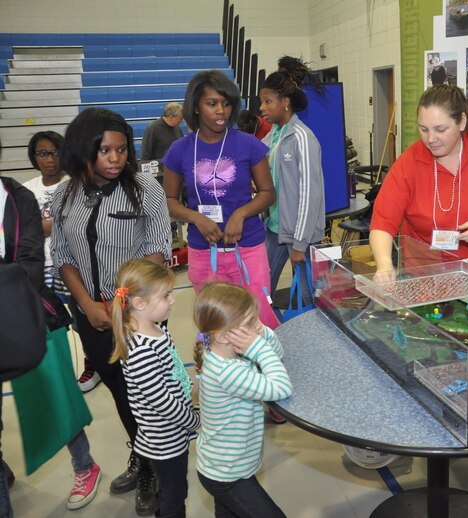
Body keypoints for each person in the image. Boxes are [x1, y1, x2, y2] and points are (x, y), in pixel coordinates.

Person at [51, 108, 172, 515]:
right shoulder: (65, 194)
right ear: (85, 151)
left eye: (122, 149)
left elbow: (156, 251)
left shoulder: (145, 189)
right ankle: (142, 456)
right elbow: (63, 255)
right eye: (105, 150)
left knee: (145, 393)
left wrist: (119, 301)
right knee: (121, 394)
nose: (116, 158)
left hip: (136, 314)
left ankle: (155, 466)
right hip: (91, 315)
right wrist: (87, 303)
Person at [1, 169, 102, 511]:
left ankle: (85, 464)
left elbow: (30, 261)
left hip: (26, 312)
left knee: (54, 395)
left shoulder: (17, 197)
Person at [369, 84, 468, 277]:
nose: (431, 139)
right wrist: (385, 265)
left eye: (440, 129)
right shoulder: (409, 163)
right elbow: (382, 223)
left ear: (461, 122)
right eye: (424, 129)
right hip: (424, 276)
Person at [163, 70, 279, 330]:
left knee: (257, 315)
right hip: (203, 250)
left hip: (247, 247)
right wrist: (196, 218)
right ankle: (218, 368)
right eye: (212, 104)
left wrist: (240, 214)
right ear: (195, 107)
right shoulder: (179, 150)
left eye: (226, 104)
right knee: (213, 322)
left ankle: (266, 367)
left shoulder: (249, 144)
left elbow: (268, 193)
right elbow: (170, 199)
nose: (221, 111)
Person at [193, 282, 292, 518]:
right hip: (227, 475)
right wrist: (257, 347)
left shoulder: (226, 352)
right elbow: (281, 387)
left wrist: (260, 331)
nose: (254, 328)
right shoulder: (227, 372)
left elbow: (278, 353)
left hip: (226, 468)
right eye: (249, 324)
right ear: (224, 335)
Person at [111, 259, 199, 518]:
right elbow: (162, 402)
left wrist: (188, 386)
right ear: (139, 303)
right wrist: (193, 420)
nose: (172, 300)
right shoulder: (141, 351)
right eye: (166, 296)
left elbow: (172, 368)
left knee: (171, 489)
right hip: (165, 439)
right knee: (175, 494)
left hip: (172, 431)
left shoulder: (157, 330)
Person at [23, 131, 102, 393]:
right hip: (39, 266)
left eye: (55, 152)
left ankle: (94, 363)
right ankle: (60, 375)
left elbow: (70, 225)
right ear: (34, 157)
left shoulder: (76, 185)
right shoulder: (27, 189)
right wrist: (46, 225)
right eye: (42, 153)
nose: (49, 159)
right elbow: (24, 228)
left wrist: (38, 225)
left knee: (83, 322)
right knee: (51, 327)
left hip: (72, 264)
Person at [260, 56, 326, 308]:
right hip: (275, 229)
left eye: (268, 102)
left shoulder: (302, 138)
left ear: (285, 103)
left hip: (301, 236)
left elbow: (310, 195)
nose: (262, 108)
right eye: (262, 101)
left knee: (310, 301)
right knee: (261, 290)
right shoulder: (275, 135)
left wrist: (300, 243)